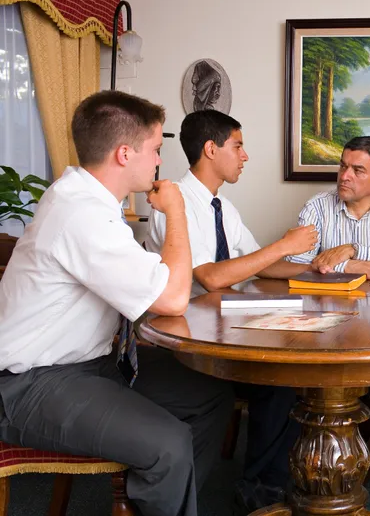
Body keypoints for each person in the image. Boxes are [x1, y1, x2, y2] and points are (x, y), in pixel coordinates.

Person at [0, 90, 234, 516]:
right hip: (29, 382)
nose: (160, 161)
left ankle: (174, 501)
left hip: (89, 366)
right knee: (168, 444)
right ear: (125, 154)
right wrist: (176, 212)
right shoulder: (80, 213)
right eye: (156, 149)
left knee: (210, 391)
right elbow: (173, 297)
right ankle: (168, 486)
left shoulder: (90, 203)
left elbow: (148, 284)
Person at [146, 109, 316, 512]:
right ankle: (261, 488)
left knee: (294, 369)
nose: (245, 156)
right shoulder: (175, 205)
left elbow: (259, 261)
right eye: (238, 145)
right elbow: (212, 277)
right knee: (280, 379)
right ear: (211, 149)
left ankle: (271, 480)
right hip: (188, 335)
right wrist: (283, 245)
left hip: (224, 325)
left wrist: (316, 266)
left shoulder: (222, 206)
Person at [265, 136, 370, 280]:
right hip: (324, 300)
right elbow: (295, 259)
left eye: (358, 170)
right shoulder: (317, 205)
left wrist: (353, 250)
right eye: (343, 166)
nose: (344, 176)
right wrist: (348, 266)